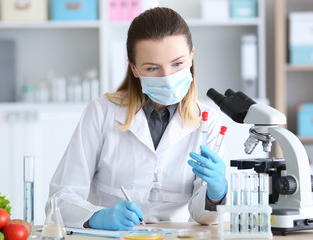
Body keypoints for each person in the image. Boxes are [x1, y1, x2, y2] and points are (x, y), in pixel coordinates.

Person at [47, 7, 228, 230]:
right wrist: (99, 216)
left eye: (177, 64)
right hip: (112, 236)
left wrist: (216, 192)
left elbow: (205, 218)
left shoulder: (208, 121)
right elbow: (61, 198)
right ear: (134, 68)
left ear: (191, 56)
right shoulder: (102, 112)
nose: (168, 78)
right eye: (152, 68)